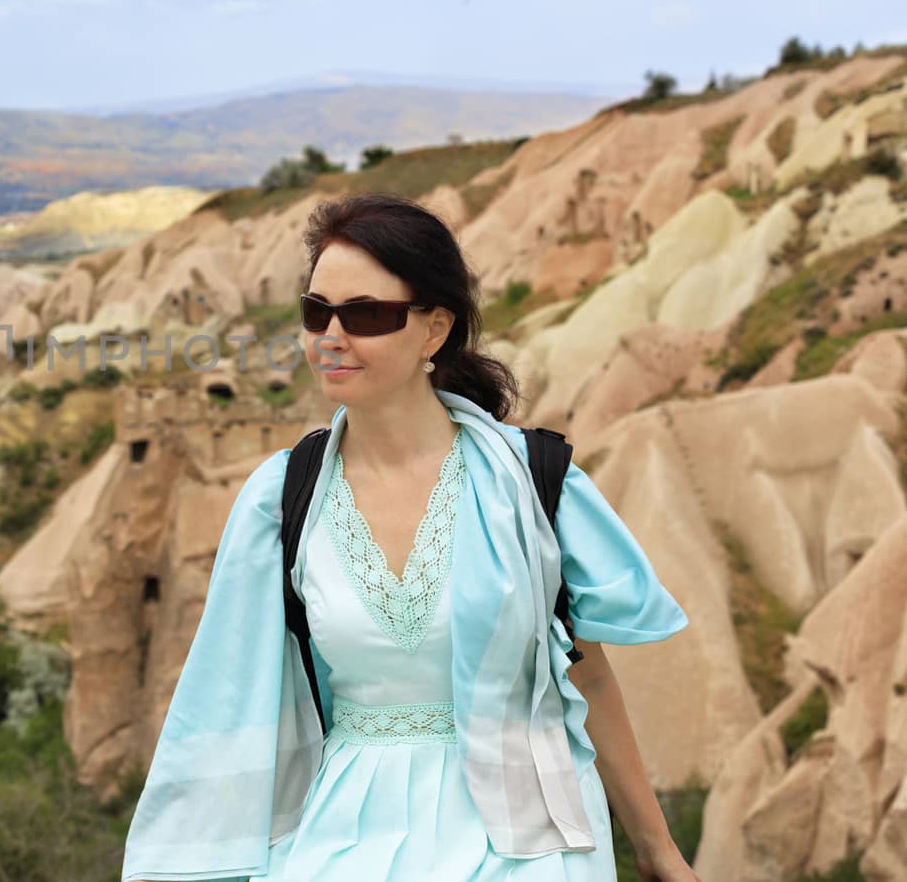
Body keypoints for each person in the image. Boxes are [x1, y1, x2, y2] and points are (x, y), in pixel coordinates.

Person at [121, 193, 699, 882]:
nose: (331, 335)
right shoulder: (281, 500)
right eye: (316, 311)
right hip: (347, 837)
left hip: (528, 839)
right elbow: (222, 698)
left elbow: (588, 673)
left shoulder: (532, 483)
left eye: (365, 314)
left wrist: (660, 852)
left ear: (433, 330)